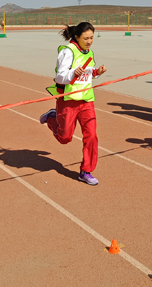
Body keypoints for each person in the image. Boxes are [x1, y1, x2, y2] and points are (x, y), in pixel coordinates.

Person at [39, 22, 107, 186]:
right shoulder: (68, 52)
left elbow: (88, 72)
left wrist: (97, 72)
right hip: (68, 101)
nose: (89, 41)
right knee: (65, 138)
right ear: (77, 37)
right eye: (86, 38)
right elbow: (60, 77)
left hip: (87, 100)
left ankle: (86, 171)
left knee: (91, 135)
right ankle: (52, 117)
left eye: (91, 38)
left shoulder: (89, 52)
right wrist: (72, 73)